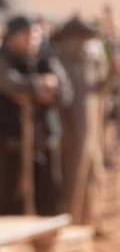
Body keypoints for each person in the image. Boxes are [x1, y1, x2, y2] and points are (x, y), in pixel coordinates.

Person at [0, 15, 71, 216]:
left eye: (34, 35)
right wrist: (40, 86)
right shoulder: (4, 58)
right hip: (11, 141)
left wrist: (48, 90)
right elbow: (10, 83)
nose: (31, 40)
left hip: (44, 138)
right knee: (12, 197)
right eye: (26, 36)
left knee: (49, 195)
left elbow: (65, 91)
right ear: (12, 38)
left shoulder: (46, 58)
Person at [54, 16, 109, 228]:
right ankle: (74, 222)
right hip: (72, 131)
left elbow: (100, 87)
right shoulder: (60, 61)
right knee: (74, 178)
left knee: (95, 175)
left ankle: (93, 219)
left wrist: (113, 71)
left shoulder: (91, 59)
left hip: (92, 130)